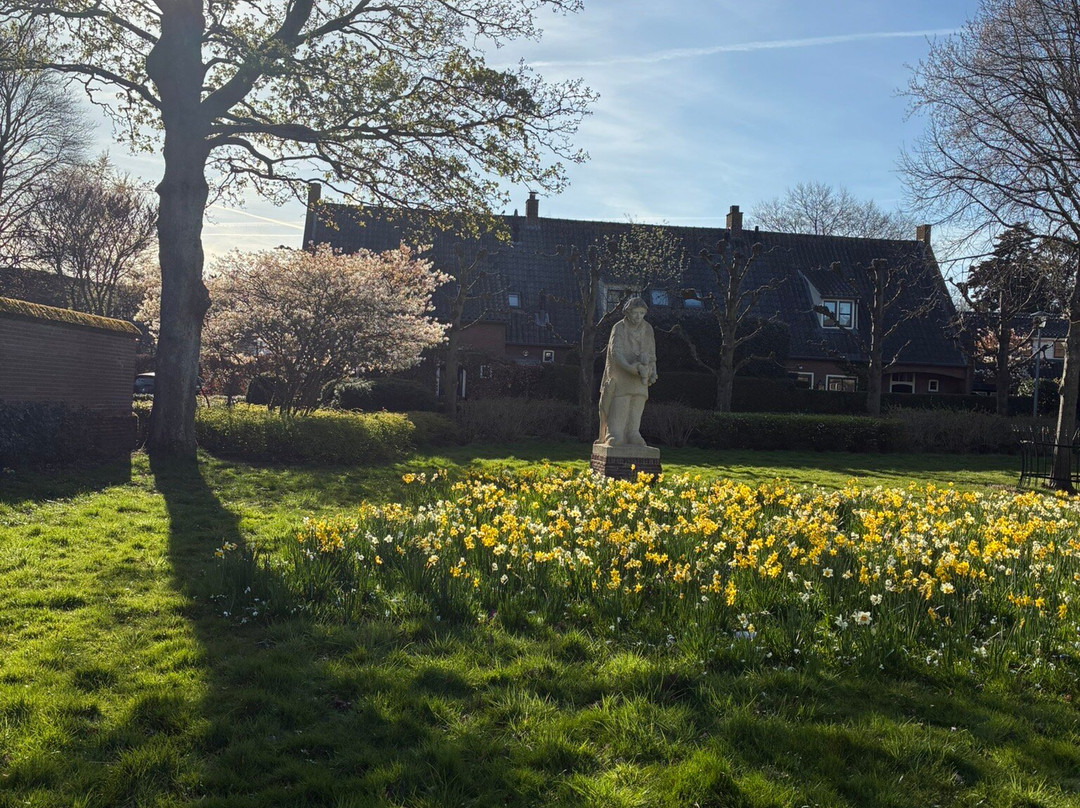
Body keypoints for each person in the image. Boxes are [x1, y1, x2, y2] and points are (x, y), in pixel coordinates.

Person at [598, 296, 657, 447]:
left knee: (638, 400)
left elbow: (651, 354)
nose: (639, 317)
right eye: (636, 313)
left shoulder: (648, 329)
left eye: (642, 313)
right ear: (628, 312)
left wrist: (653, 372)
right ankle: (615, 433)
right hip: (621, 373)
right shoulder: (619, 327)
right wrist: (630, 368)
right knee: (621, 400)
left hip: (640, 375)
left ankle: (633, 432)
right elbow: (615, 353)